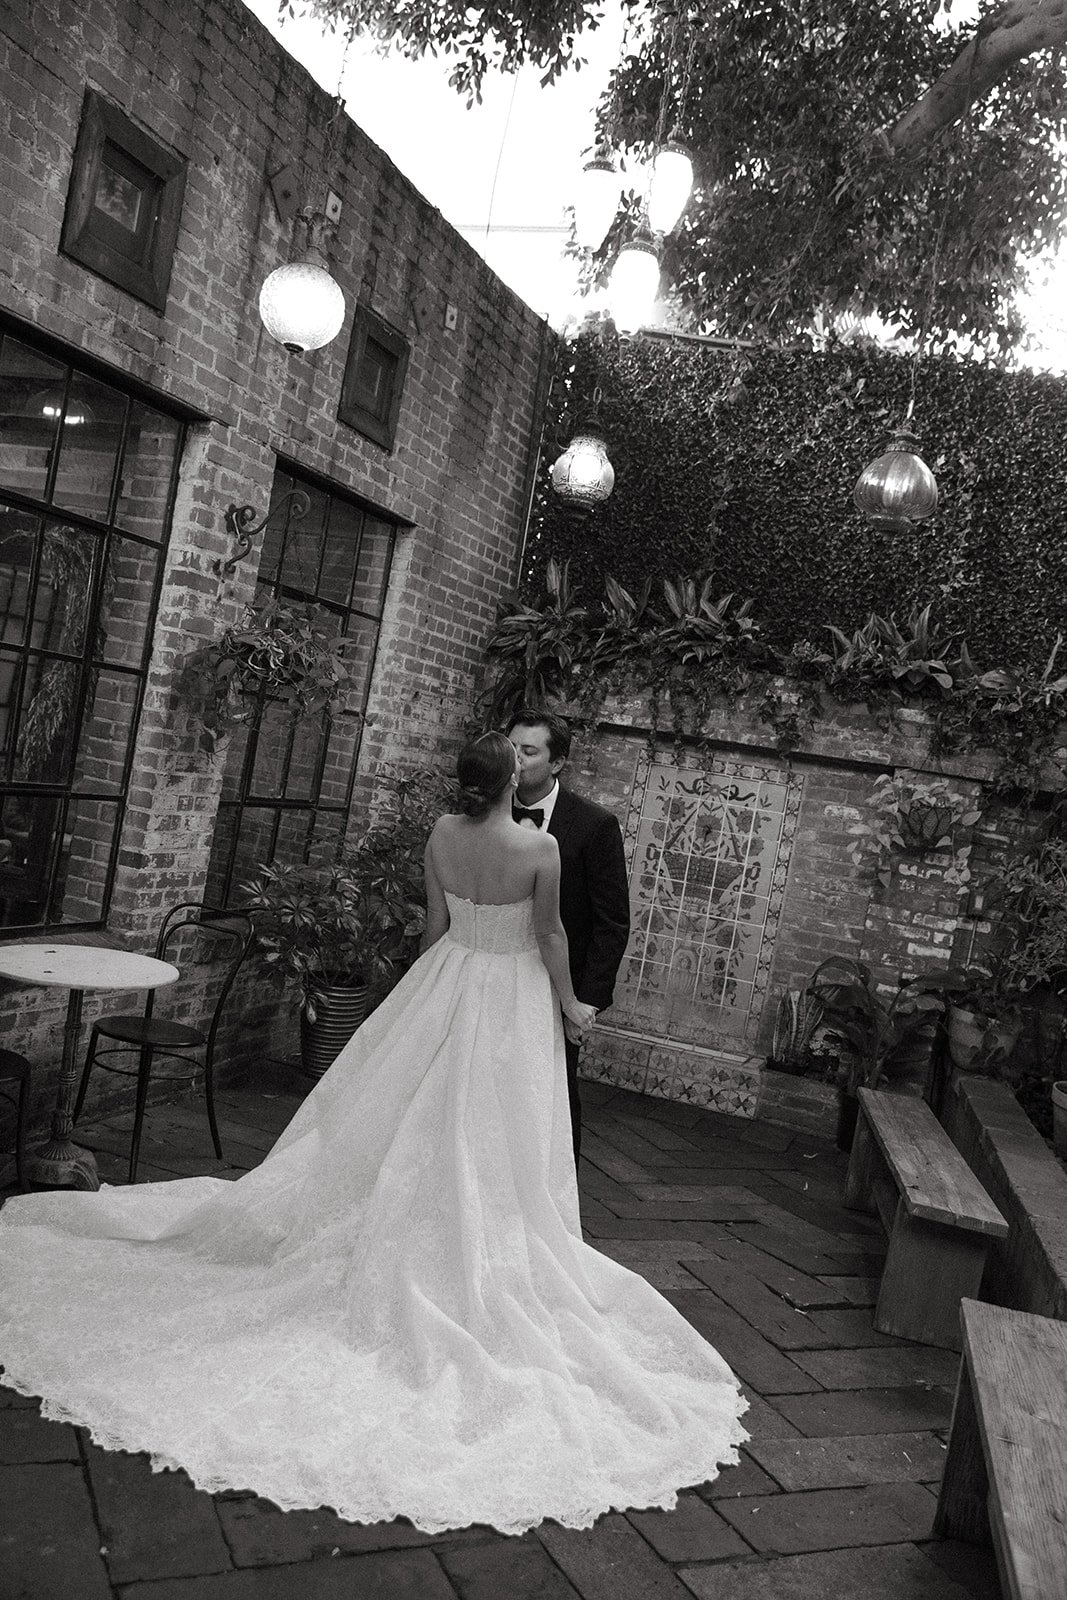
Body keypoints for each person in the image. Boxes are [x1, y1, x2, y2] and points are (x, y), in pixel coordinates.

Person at [0, 732, 747, 1537]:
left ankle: (420, 1213)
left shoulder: (438, 832)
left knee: (408, 1113)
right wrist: (569, 1007)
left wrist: (419, 999)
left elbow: (433, 927)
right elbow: (552, 938)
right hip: (510, 995)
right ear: (509, 783)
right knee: (496, 1122)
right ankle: (475, 1231)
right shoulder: (538, 848)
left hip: (447, 973)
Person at [508, 707, 630, 1166]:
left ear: (557, 763)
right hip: (494, 974)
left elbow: (612, 922)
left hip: (557, 988)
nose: (515, 760)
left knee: (554, 1094)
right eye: (511, 748)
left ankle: (557, 1198)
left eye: (528, 751)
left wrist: (584, 1003)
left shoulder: (594, 826)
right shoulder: (482, 815)